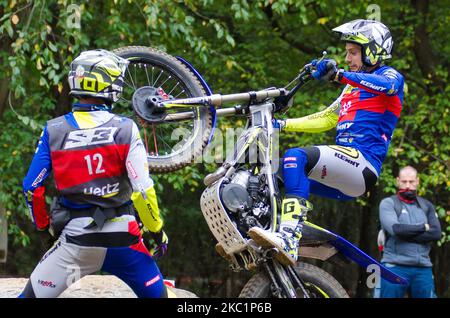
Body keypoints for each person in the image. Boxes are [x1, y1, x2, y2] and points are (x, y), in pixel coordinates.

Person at [248, 19, 405, 266]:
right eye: (346, 53)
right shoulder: (350, 89)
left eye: (353, 52)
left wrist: (340, 75)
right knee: (275, 175)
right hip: (346, 174)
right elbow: (326, 118)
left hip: (362, 165)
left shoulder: (389, 77)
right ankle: (273, 233)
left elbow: (389, 86)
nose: (347, 58)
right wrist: (281, 125)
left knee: (294, 156)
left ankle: (289, 236)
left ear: (372, 51)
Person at [20, 50, 172, 298]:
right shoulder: (125, 128)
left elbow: (30, 187)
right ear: (109, 86)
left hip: (76, 240)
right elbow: (142, 191)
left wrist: (44, 227)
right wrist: (156, 230)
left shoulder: (54, 130)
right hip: (125, 240)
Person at [377, 166, 441, 298]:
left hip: (423, 268)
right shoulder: (388, 203)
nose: (407, 186)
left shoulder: (426, 205)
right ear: (397, 181)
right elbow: (396, 230)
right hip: (394, 266)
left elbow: (436, 233)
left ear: (417, 181)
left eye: (411, 182)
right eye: (404, 181)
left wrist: (405, 233)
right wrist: (424, 227)